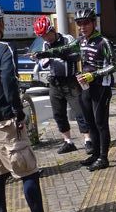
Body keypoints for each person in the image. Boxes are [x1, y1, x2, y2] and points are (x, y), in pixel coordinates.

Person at [0, 4, 73, 212]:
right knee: (28, 171)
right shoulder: (4, 48)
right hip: (5, 123)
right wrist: (18, 113)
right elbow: (8, 82)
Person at [47, 8, 116, 171]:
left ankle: (103, 158)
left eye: (86, 23)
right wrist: (42, 54)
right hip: (85, 86)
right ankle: (95, 154)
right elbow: (62, 50)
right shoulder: (81, 41)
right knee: (90, 122)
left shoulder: (103, 42)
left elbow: (115, 65)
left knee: (100, 123)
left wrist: (94, 75)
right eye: (79, 24)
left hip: (102, 87)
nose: (82, 27)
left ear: (94, 23)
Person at [30, 15, 93, 155]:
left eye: (47, 34)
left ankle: (88, 140)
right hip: (55, 83)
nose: (46, 38)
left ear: (52, 29)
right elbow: (44, 64)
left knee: (80, 112)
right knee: (58, 113)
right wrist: (38, 57)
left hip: (70, 81)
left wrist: (58, 54)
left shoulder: (67, 39)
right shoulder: (45, 45)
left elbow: (77, 55)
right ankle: (68, 142)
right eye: (42, 36)